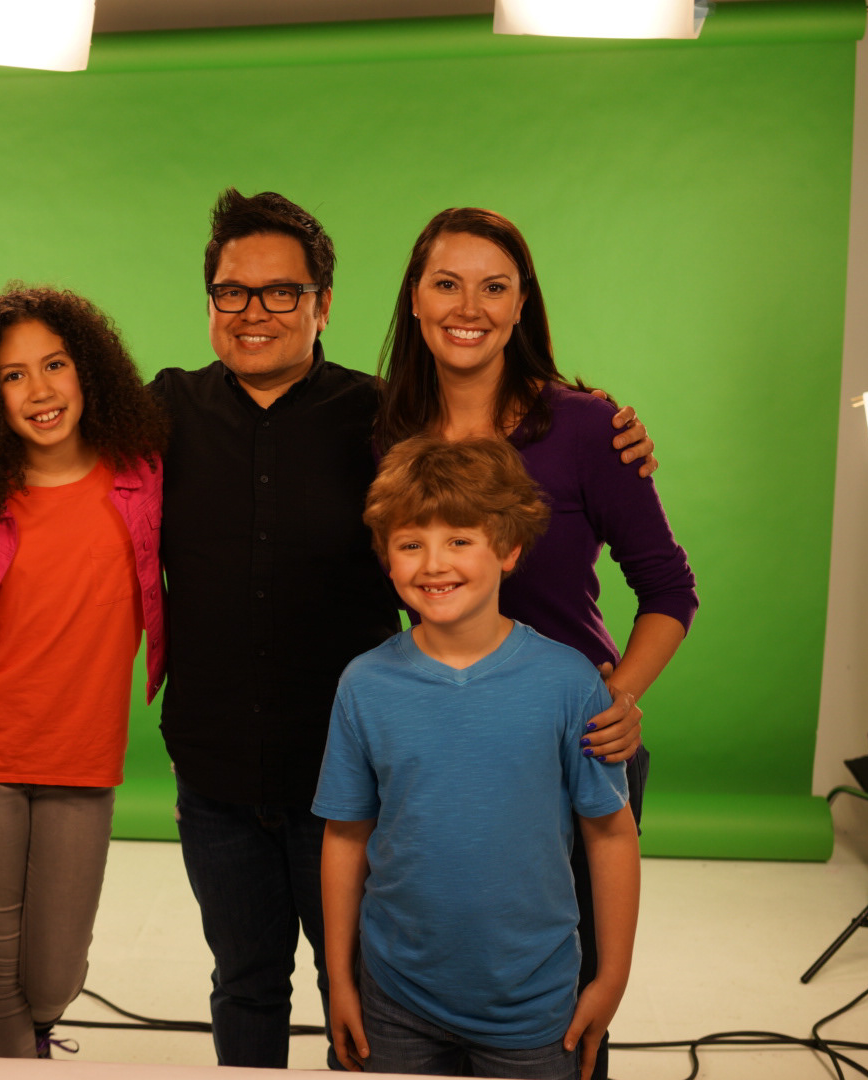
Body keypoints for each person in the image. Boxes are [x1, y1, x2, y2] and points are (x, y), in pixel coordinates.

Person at [149, 189, 656, 1069]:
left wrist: (605, 424)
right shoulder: (172, 411)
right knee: (254, 982)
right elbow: (56, 418)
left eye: (282, 292)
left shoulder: (383, 417)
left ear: (323, 305)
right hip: (241, 762)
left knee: (463, 980)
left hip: (445, 747)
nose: (255, 310)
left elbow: (509, 469)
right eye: (233, 292)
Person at [374, 207, 697, 1078]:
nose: (468, 306)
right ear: (414, 299)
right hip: (441, 741)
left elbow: (669, 589)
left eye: (494, 287)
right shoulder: (384, 432)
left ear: (522, 305)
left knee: (569, 1005)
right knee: (443, 963)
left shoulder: (589, 428)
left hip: (572, 743)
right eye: (446, 283)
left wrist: (619, 697)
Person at [317, 435, 640, 1080]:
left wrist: (611, 979)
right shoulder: (363, 685)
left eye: (459, 539)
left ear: (509, 548)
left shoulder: (569, 682)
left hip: (533, 1007)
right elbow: (346, 835)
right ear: (386, 558)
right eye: (411, 544)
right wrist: (340, 981)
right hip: (394, 1001)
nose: (434, 563)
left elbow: (609, 834)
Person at [0, 287, 169, 1059]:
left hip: (82, 750)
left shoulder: (142, 475)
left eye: (54, 365)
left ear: (87, 369)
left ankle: (37, 1035)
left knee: (53, 973)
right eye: (12, 375)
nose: (39, 390)